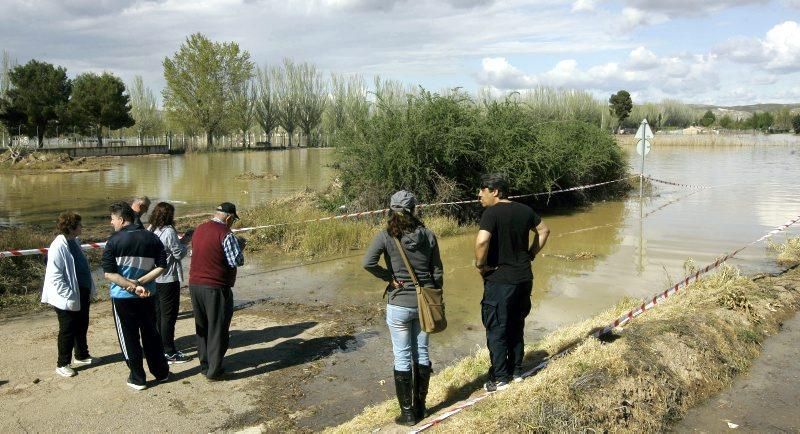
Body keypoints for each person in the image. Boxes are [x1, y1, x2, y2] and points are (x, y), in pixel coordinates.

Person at [363, 191, 443, 426]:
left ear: (390, 210)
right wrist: (435, 295)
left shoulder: (385, 236)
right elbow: (437, 271)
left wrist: (389, 277)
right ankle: (421, 408)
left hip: (398, 303)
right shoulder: (428, 235)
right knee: (422, 352)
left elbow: (367, 263)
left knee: (402, 355)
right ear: (414, 209)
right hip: (425, 303)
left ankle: (407, 414)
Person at [474, 173, 550, 392]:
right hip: (524, 278)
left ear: (495, 191)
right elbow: (544, 231)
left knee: (496, 329)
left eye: (483, 189)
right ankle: (516, 371)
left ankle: (500, 379)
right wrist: (531, 254)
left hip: (500, 281)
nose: (479, 194)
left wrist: (480, 265)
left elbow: (482, 241)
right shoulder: (524, 210)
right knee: (516, 325)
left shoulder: (491, 213)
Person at [101, 201, 170, 390]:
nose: (111, 223)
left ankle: (138, 378)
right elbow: (162, 266)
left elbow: (109, 273)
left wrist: (131, 286)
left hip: (123, 298)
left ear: (122, 219)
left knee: (129, 338)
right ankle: (161, 373)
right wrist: (141, 282)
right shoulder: (152, 238)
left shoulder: (113, 241)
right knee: (151, 334)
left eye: (113, 219)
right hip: (148, 295)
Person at [189, 202, 245, 380]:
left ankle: (205, 365)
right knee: (217, 327)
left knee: (203, 326)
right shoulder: (226, 234)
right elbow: (236, 261)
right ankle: (214, 370)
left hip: (195, 285)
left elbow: (195, 253)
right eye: (232, 220)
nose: (232, 223)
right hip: (215, 286)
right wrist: (240, 246)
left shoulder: (199, 229)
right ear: (229, 217)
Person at [41, 212, 97, 378]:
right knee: (67, 330)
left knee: (82, 325)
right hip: (67, 297)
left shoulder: (74, 241)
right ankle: (62, 364)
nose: (82, 227)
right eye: (79, 225)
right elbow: (55, 277)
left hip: (81, 293)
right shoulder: (58, 246)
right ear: (72, 227)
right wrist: (70, 295)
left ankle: (82, 355)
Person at [148, 202, 191, 364]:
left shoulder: (150, 229)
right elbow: (178, 254)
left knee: (158, 314)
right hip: (168, 277)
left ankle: (160, 347)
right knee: (168, 316)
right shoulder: (169, 231)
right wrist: (186, 241)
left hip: (153, 277)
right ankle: (169, 351)